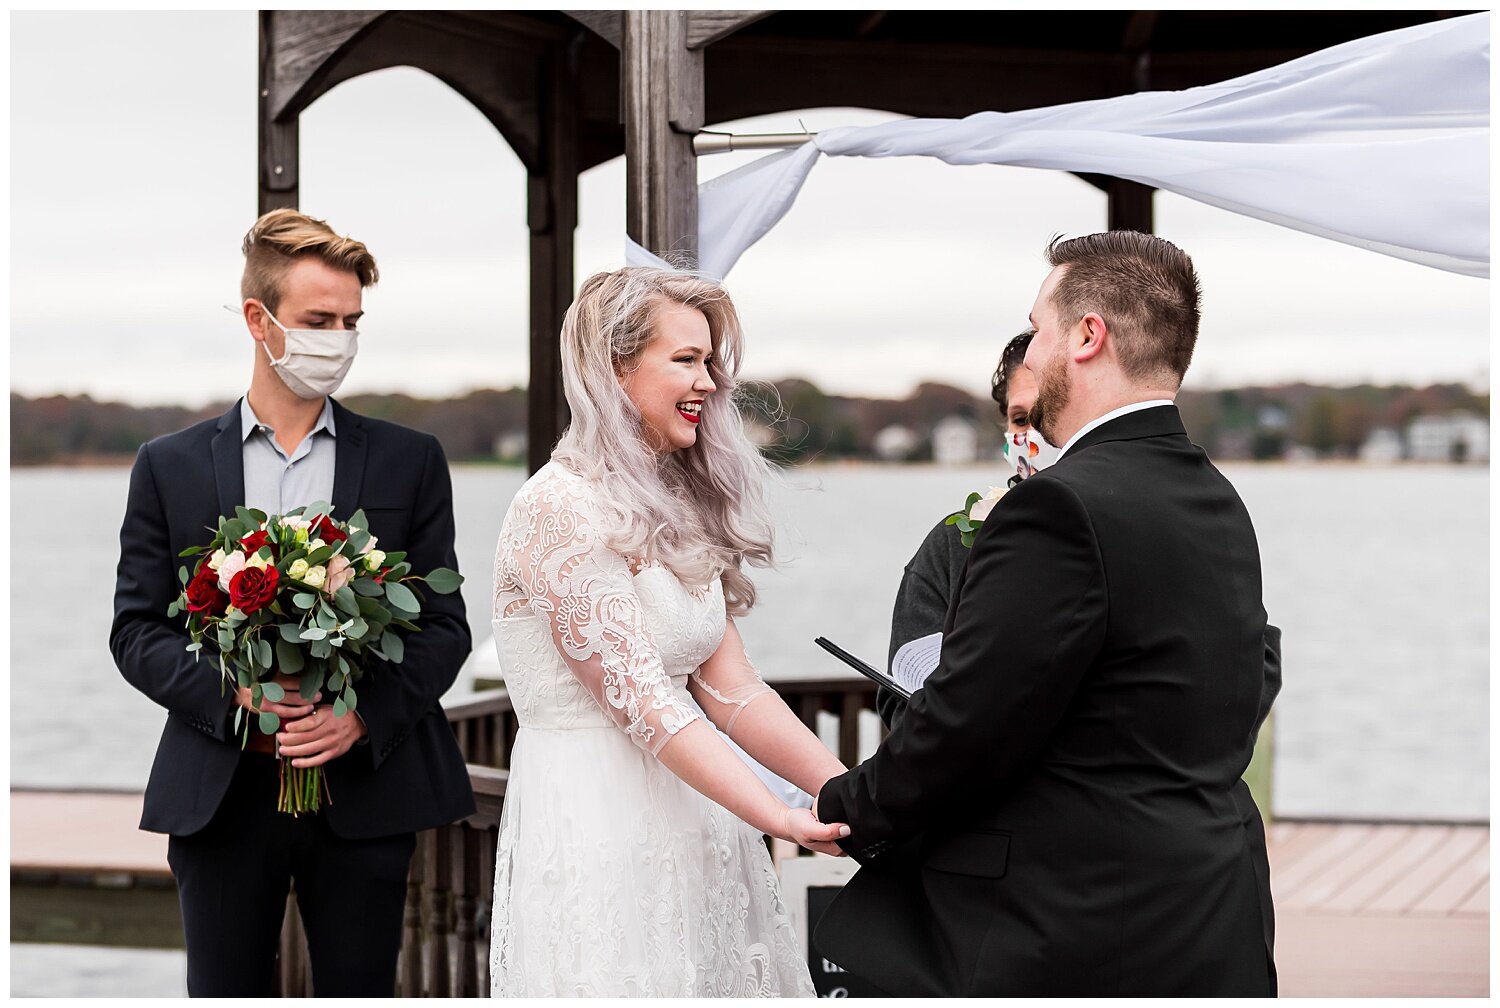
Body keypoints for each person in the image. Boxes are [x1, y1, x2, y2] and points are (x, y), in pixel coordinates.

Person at [814, 232, 1278, 996]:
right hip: (1210, 915)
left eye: (1037, 327)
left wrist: (844, 808)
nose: (1029, 345)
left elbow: (969, 721)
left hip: (1077, 927)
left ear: (1087, 336)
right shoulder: (1218, 501)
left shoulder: (1058, 506)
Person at [110, 209, 475, 995]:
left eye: (351, 322)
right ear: (258, 319)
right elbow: (135, 632)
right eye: (319, 320)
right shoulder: (166, 466)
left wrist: (362, 716)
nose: (338, 339)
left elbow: (445, 629)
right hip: (220, 794)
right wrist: (230, 691)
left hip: (366, 797)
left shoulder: (412, 461)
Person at [488, 266, 850, 997]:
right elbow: (645, 703)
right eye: (686, 359)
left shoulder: (676, 500)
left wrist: (850, 790)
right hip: (596, 823)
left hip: (698, 820)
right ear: (613, 370)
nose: (710, 383)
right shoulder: (558, 508)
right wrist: (777, 815)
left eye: (710, 361)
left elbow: (734, 691)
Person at [878, 328, 1049, 730]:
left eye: (1046, 416)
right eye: (1020, 419)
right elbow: (899, 702)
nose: (1033, 434)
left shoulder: (1125, 526)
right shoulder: (953, 543)